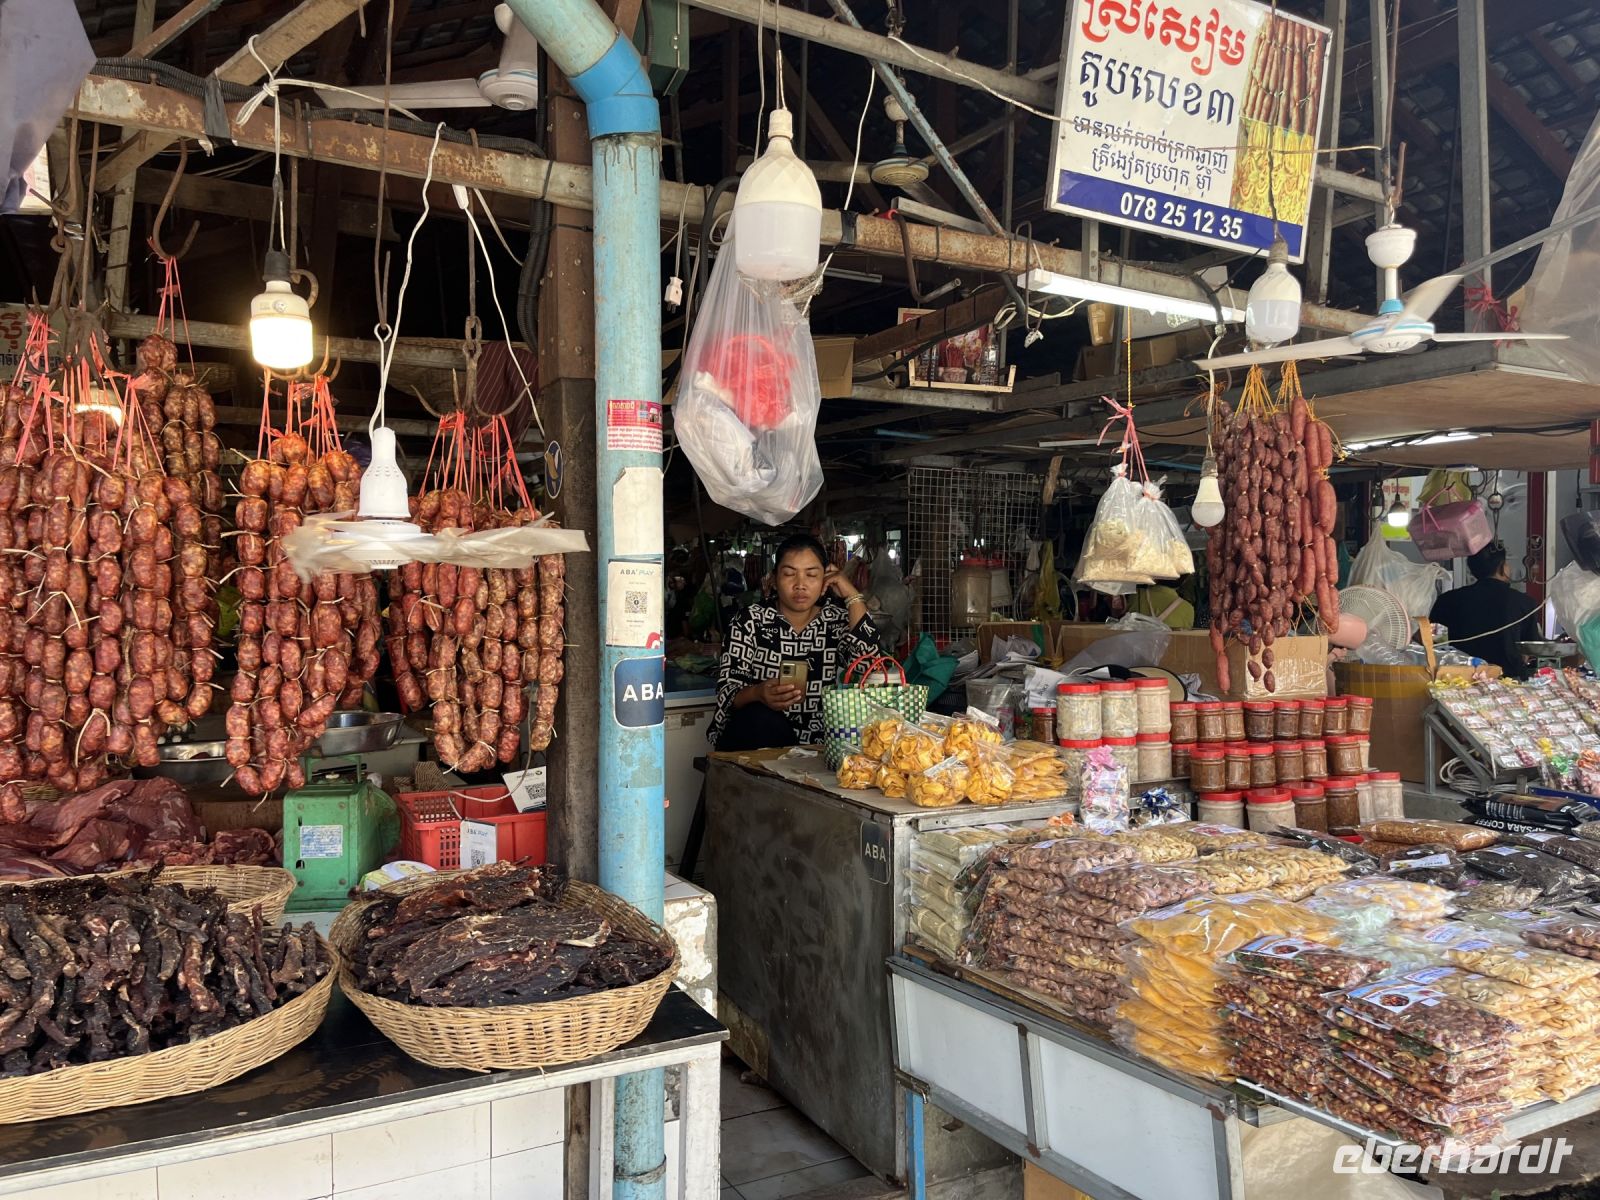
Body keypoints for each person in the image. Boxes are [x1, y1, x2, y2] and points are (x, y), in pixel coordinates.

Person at [709, 534, 881, 751]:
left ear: (825, 580)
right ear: (773, 579)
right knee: (760, 717)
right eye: (789, 574)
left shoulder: (836, 620)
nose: (800, 585)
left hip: (820, 744)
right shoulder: (750, 620)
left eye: (811, 575)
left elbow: (869, 666)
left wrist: (852, 594)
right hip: (757, 741)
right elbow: (727, 691)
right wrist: (758, 693)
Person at [1429, 543, 1541, 679]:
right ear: (1501, 568)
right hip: (1509, 682)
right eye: (1506, 564)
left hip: (1460, 680)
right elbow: (1532, 648)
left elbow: (1435, 642)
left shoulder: (1447, 600)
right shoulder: (1524, 602)